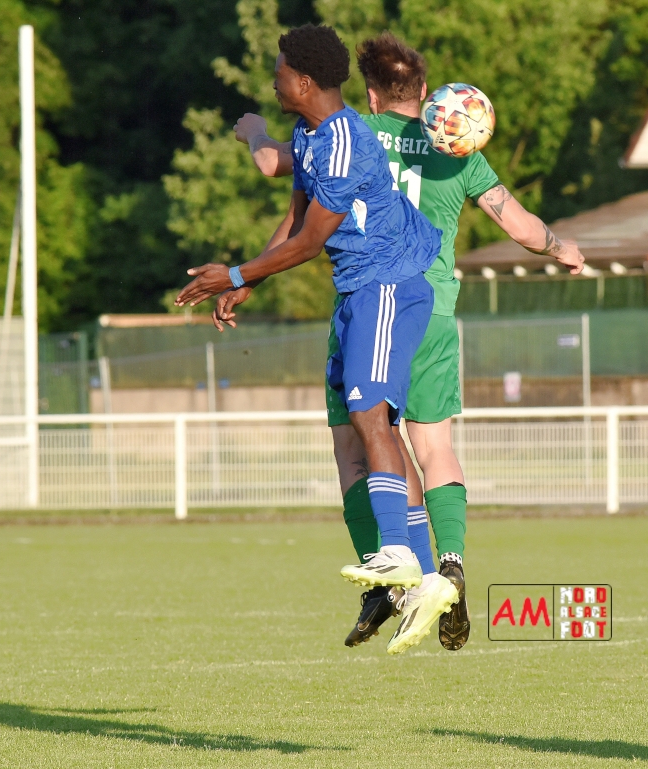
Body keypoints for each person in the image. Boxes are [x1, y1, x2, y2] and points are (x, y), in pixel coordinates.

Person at [225, 32, 586, 649]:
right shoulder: (457, 147)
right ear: (424, 92)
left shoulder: (355, 133)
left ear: (370, 94)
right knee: (433, 445)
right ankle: (450, 566)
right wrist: (562, 249)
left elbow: (276, 165)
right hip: (433, 309)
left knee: (359, 444)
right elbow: (522, 227)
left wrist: (253, 131)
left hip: (372, 302)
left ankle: (388, 574)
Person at [176, 25, 456, 655]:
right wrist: (249, 281)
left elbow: (309, 243)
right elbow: (296, 220)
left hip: (389, 284)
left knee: (369, 413)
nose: (273, 81)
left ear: (303, 81)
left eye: (278, 71)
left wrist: (237, 273)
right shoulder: (310, 135)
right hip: (360, 290)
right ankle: (425, 581)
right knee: (371, 423)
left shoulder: (346, 141)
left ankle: (398, 553)